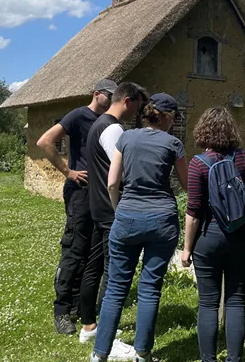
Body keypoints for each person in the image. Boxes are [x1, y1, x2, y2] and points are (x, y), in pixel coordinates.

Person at [90, 93, 189, 362]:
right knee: (149, 288)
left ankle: (99, 354)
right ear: (167, 117)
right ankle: (143, 353)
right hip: (162, 220)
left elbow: (113, 183)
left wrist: (118, 208)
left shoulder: (126, 138)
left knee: (116, 289)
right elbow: (187, 184)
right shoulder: (174, 144)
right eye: (175, 118)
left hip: (126, 217)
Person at [37, 78, 117, 336]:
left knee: (92, 251)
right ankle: (61, 311)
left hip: (98, 194)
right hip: (80, 192)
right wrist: (67, 171)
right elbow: (45, 141)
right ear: (96, 94)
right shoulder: (79, 115)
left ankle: (79, 304)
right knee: (74, 249)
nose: (113, 100)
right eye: (109, 95)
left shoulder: (108, 122)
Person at [181, 107, 245, 362]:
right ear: (231, 131)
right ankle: (234, 359)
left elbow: (193, 211)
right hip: (242, 235)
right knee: (236, 300)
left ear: (202, 131)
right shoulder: (241, 159)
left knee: (208, 303)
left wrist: (187, 248)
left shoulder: (197, 165)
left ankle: (208, 359)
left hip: (209, 237)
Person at [78, 82, 148, 349]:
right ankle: (107, 336)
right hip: (110, 210)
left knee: (93, 266)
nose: (137, 114)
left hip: (97, 207)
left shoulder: (99, 124)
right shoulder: (114, 129)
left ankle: (89, 326)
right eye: (137, 107)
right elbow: (121, 172)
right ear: (127, 101)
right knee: (112, 272)